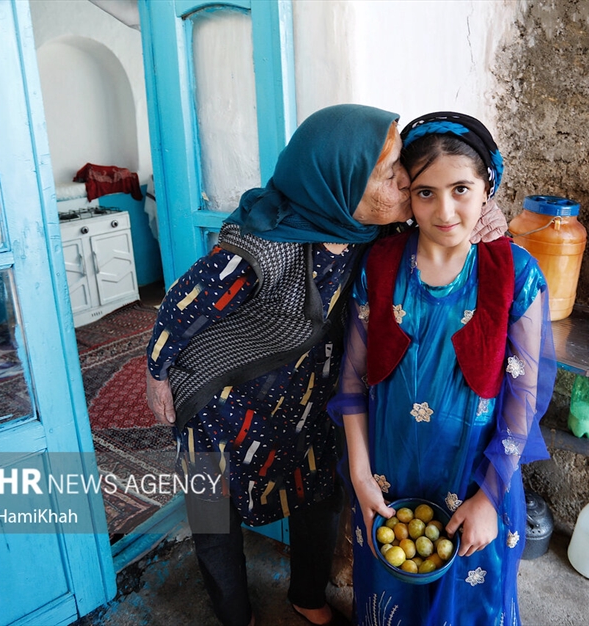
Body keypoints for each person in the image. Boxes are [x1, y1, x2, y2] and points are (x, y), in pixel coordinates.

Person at [145, 104, 505, 626]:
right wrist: (157, 375)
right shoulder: (262, 247)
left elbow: (455, 187)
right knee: (212, 512)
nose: (407, 182)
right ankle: (233, 614)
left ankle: (306, 595)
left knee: (319, 494)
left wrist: (490, 212)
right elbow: (181, 306)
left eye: (401, 163)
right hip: (218, 400)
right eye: (390, 174)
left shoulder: (373, 236)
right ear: (341, 186)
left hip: (299, 400)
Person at [330, 112, 557, 626]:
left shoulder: (514, 272)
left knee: (467, 601)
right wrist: (362, 478)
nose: (445, 209)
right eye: (425, 192)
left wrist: (489, 496)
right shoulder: (381, 264)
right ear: (407, 195)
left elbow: (523, 396)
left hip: (474, 475)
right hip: (389, 475)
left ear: (487, 189)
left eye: (460, 188)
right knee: (392, 597)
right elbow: (353, 381)